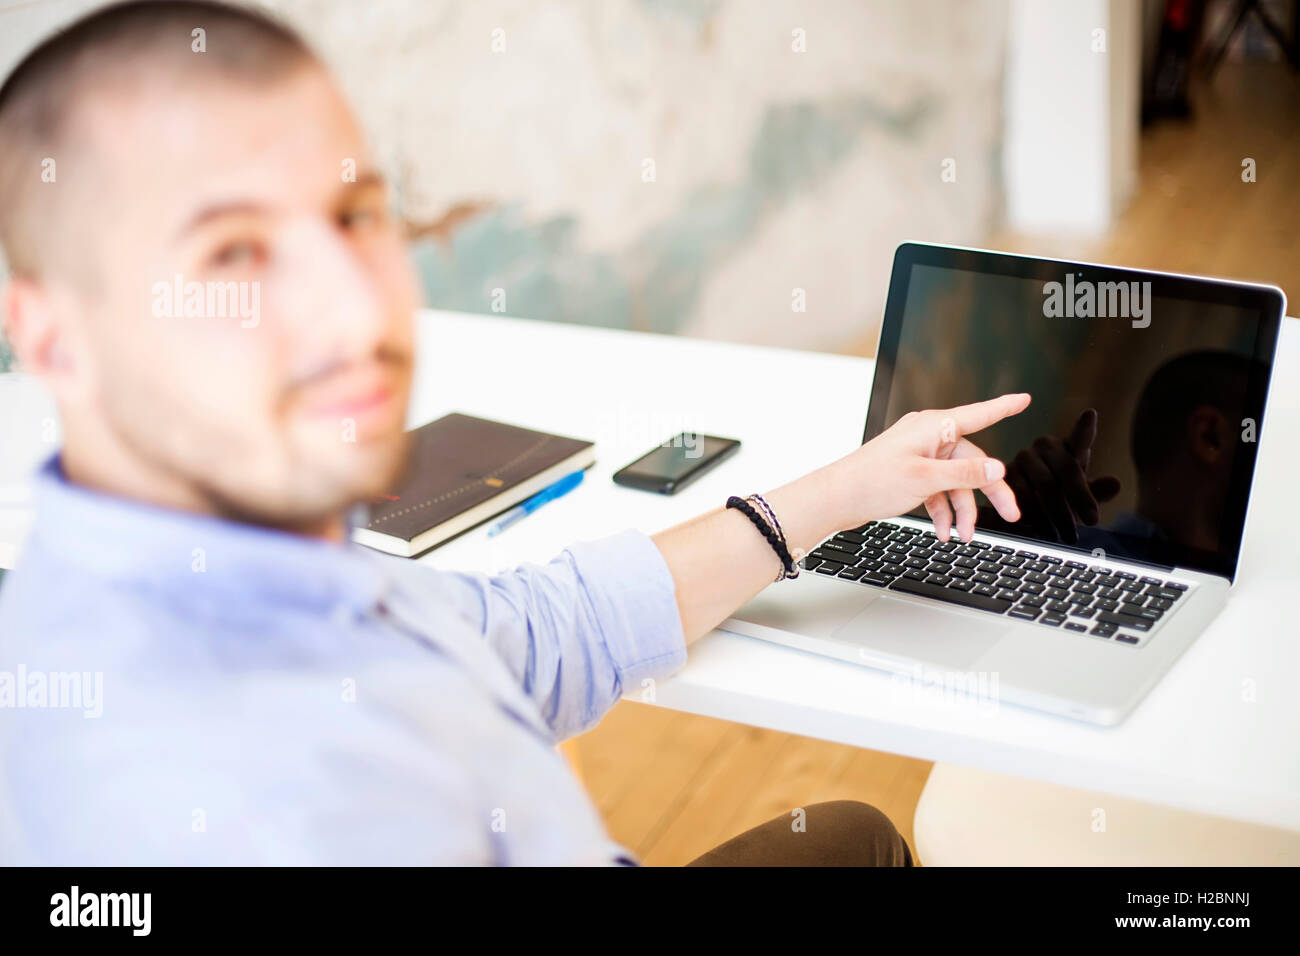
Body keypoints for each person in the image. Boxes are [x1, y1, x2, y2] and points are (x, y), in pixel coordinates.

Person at [0, 0, 1028, 865]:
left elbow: (532, 633)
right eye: (234, 254)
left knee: (846, 835)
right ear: (51, 334)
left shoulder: (252, 556)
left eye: (357, 217)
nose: (355, 311)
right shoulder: (247, 802)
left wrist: (839, 492)